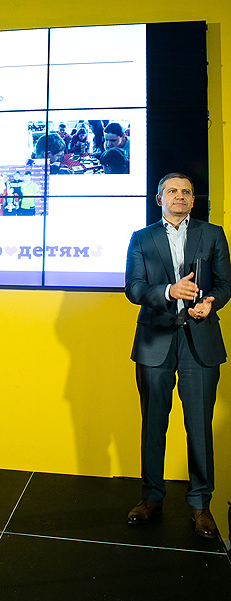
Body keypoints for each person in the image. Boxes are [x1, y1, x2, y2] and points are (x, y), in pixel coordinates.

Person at [125, 173, 231, 538]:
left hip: (200, 340)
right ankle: (152, 497)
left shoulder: (212, 234)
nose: (180, 196)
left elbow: (225, 283)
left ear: (192, 199)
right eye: (172, 191)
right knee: (153, 423)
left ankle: (201, 505)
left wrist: (211, 301)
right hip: (154, 341)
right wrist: (170, 291)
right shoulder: (141, 238)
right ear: (160, 199)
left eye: (186, 192)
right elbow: (134, 288)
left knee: (199, 426)